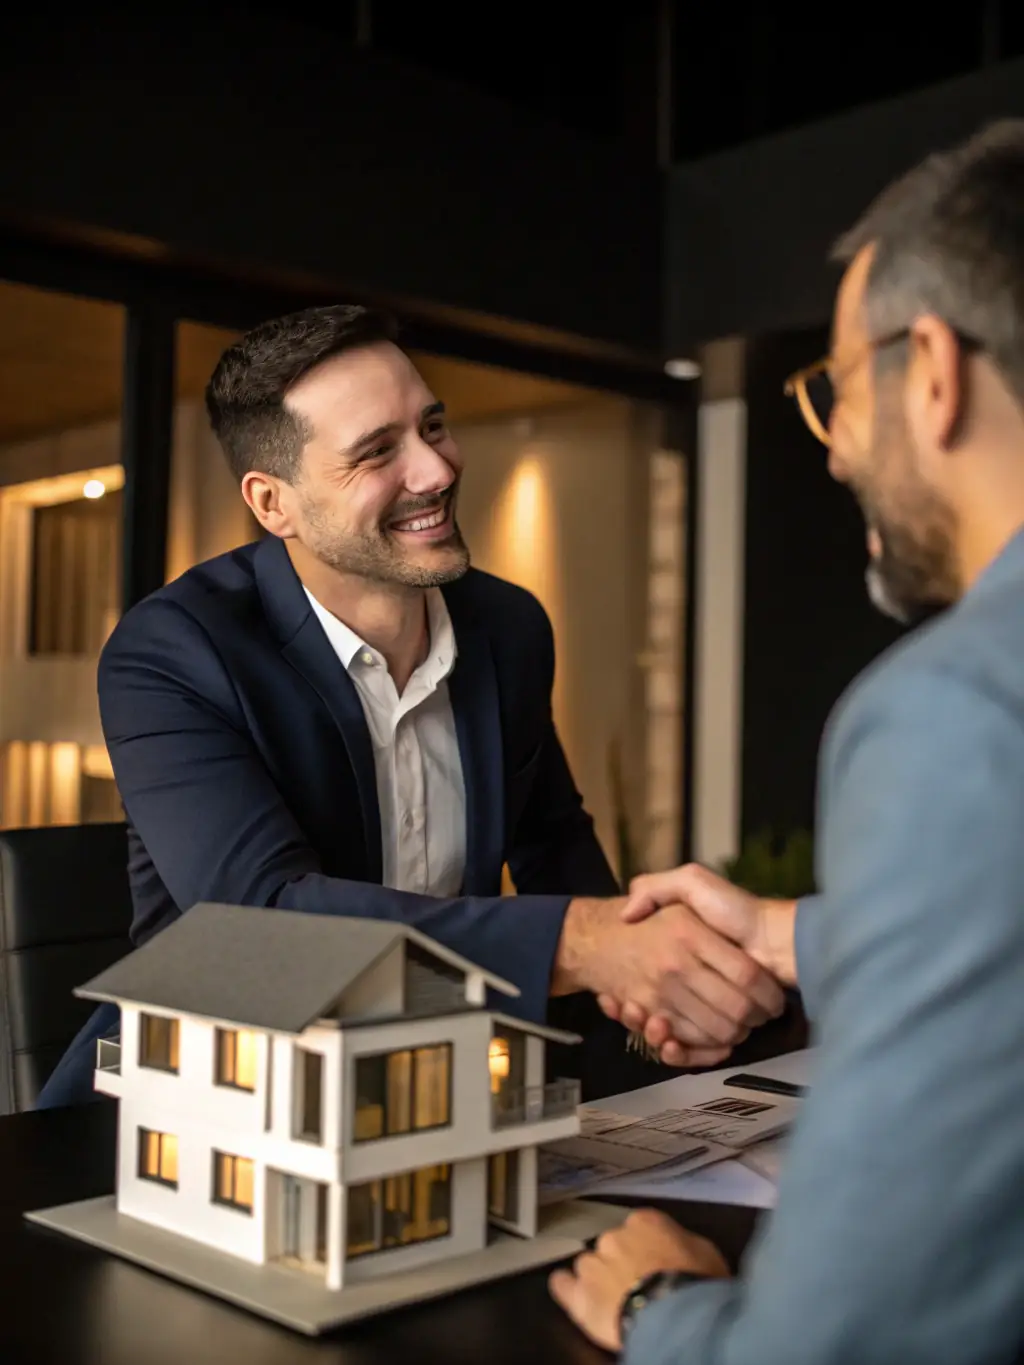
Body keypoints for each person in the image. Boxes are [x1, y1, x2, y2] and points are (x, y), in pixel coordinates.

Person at [36, 305, 784, 1109]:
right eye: (377, 453)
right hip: (200, 1099)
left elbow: (554, 848)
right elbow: (264, 922)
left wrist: (650, 999)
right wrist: (588, 945)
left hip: (438, 1083)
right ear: (272, 503)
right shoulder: (173, 652)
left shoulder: (509, 627)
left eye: (433, 425)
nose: (435, 470)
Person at [550, 120, 1024, 1364]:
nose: (831, 446)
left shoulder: (952, 706)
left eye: (834, 389)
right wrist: (790, 932)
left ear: (930, 370)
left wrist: (666, 1308)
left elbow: (830, 1346)